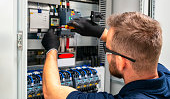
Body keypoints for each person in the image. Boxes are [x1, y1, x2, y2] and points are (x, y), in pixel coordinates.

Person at [41, 12, 170, 99]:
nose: (106, 52)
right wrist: (99, 32)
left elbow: (51, 92)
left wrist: (51, 50)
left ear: (121, 62)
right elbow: (138, 45)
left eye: (107, 49)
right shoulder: (165, 78)